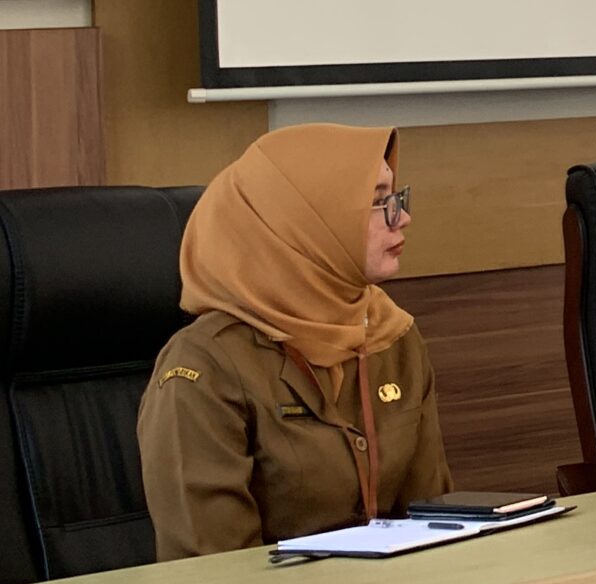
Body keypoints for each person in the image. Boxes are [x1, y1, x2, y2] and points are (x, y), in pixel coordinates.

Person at [137, 124, 451, 559]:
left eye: (395, 196)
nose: (402, 216)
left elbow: (435, 521)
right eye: (379, 201)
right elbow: (210, 571)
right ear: (305, 222)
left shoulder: (391, 334)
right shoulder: (205, 366)